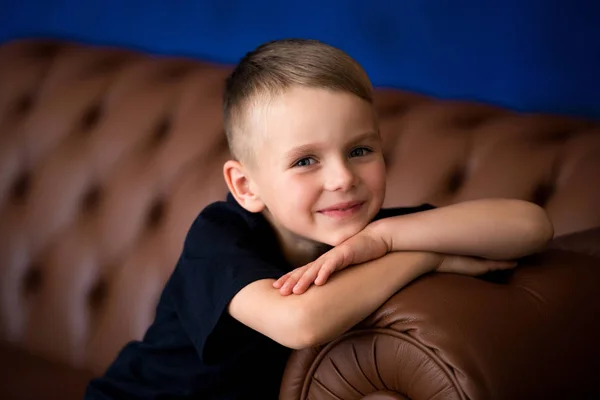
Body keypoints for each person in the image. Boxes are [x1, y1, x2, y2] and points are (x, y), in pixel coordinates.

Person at [85, 39, 553, 399]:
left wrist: (390, 237)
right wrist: (424, 256)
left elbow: (531, 226)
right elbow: (300, 323)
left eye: (361, 150)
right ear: (246, 186)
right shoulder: (220, 237)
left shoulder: (377, 233)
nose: (342, 178)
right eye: (306, 160)